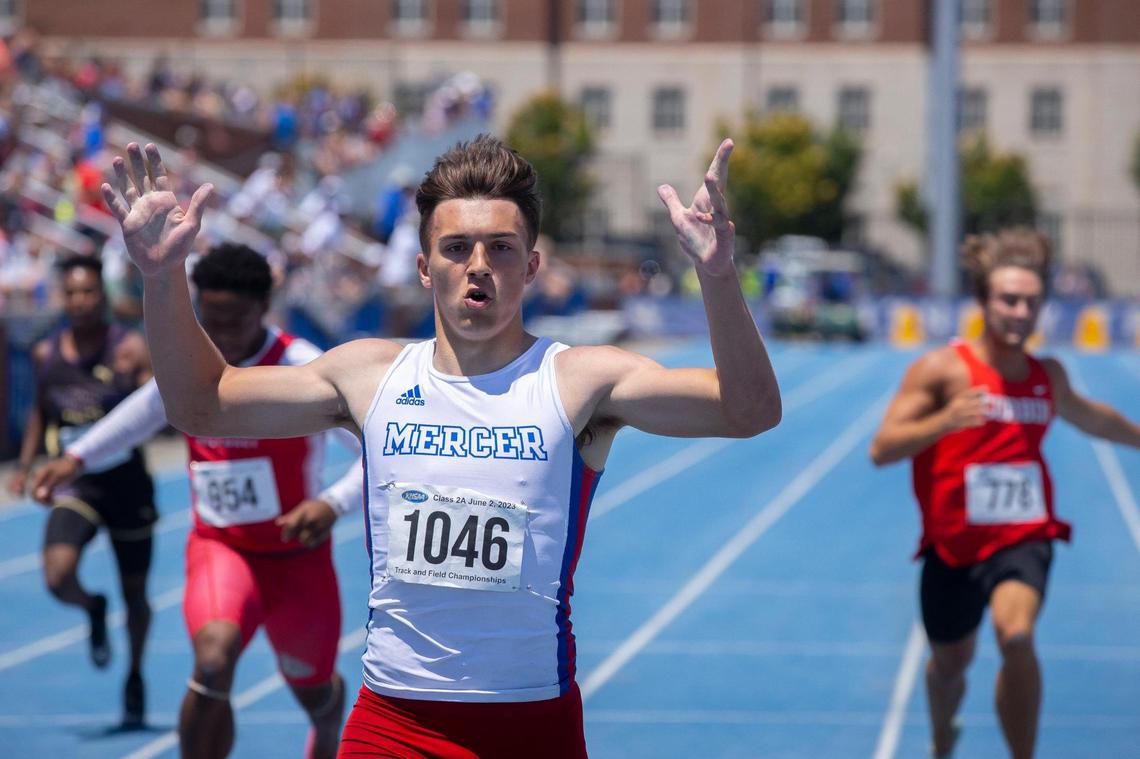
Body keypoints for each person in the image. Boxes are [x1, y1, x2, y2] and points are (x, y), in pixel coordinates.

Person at [100, 136, 781, 757]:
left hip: (531, 725)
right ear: (425, 267)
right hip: (393, 722)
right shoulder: (369, 375)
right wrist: (162, 279)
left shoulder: (580, 381)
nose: (477, 265)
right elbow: (200, 403)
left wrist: (718, 276)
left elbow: (748, 410)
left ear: (532, 266)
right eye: (456, 248)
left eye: (501, 248)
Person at [31, 243, 364, 759]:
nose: (223, 334)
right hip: (220, 548)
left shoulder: (301, 367)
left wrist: (333, 503)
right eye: (211, 318)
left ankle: (325, 714)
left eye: (236, 320)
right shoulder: (192, 360)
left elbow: (382, 450)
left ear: (264, 307)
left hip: (297, 559)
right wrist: (75, 460)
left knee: (312, 687)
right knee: (212, 663)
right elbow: (141, 412)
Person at [869, 228, 1140, 759]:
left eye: (1031, 302)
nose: (1020, 312)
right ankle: (944, 734)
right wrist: (945, 420)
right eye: (1008, 300)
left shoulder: (1047, 374)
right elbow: (883, 448)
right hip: (952, 546)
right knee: (950, 665)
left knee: (1015, 636)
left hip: (1022, 535)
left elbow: (1094, 418)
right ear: (984, 303)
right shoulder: (941, 370)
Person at [5, 253, 155, 729]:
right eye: (71, 292)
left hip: (127, 484)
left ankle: (133, 674)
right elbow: (40, 414)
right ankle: (92, 606)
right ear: (60, 297)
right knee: (56, 575)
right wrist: (26, 464)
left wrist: (146, 379)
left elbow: (155, 409)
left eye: (89, 291)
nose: (81, 301)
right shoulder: (46, 353)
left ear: (102, 295)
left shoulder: (128, 347)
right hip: (76, 483)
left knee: (136, 594)